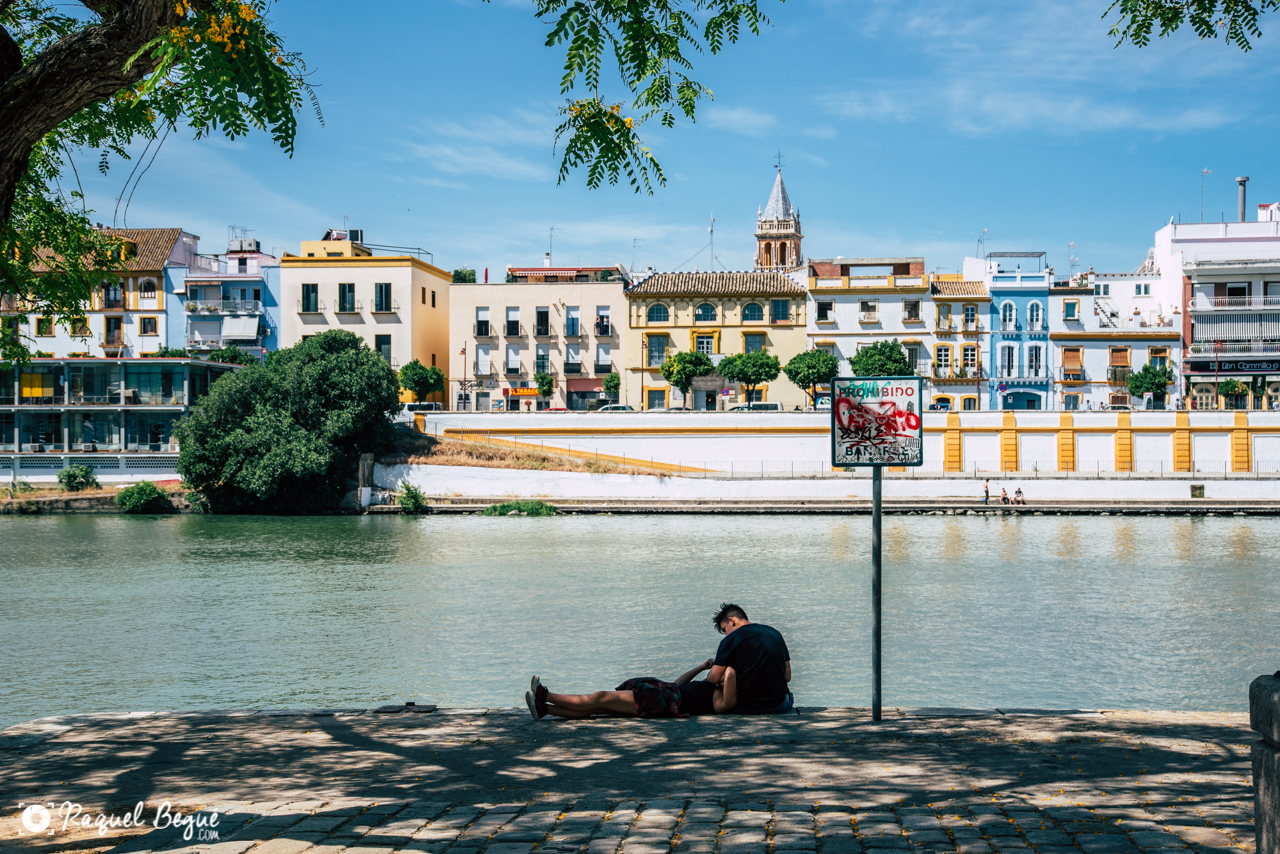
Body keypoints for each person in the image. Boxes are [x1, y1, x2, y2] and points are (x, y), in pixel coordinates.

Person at [525, 661, 736, 720]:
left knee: (600, 697)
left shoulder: (722, 700)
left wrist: (729, 668)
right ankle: (545, 710)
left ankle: (547, 696)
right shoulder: (711, 687)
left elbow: (730, 682)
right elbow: (676, 685)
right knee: (597, 708)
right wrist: (702, 667)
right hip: (663, 694)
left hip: (657, 702)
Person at [709, 603, 792, 715]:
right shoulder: (775, 633)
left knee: (714, 690)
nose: (726, 635)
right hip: (778, 706)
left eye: (725, 629)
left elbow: (713, 679)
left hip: (746, 707)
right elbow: (787, 676)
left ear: (731, 621)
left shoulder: (731, 639)